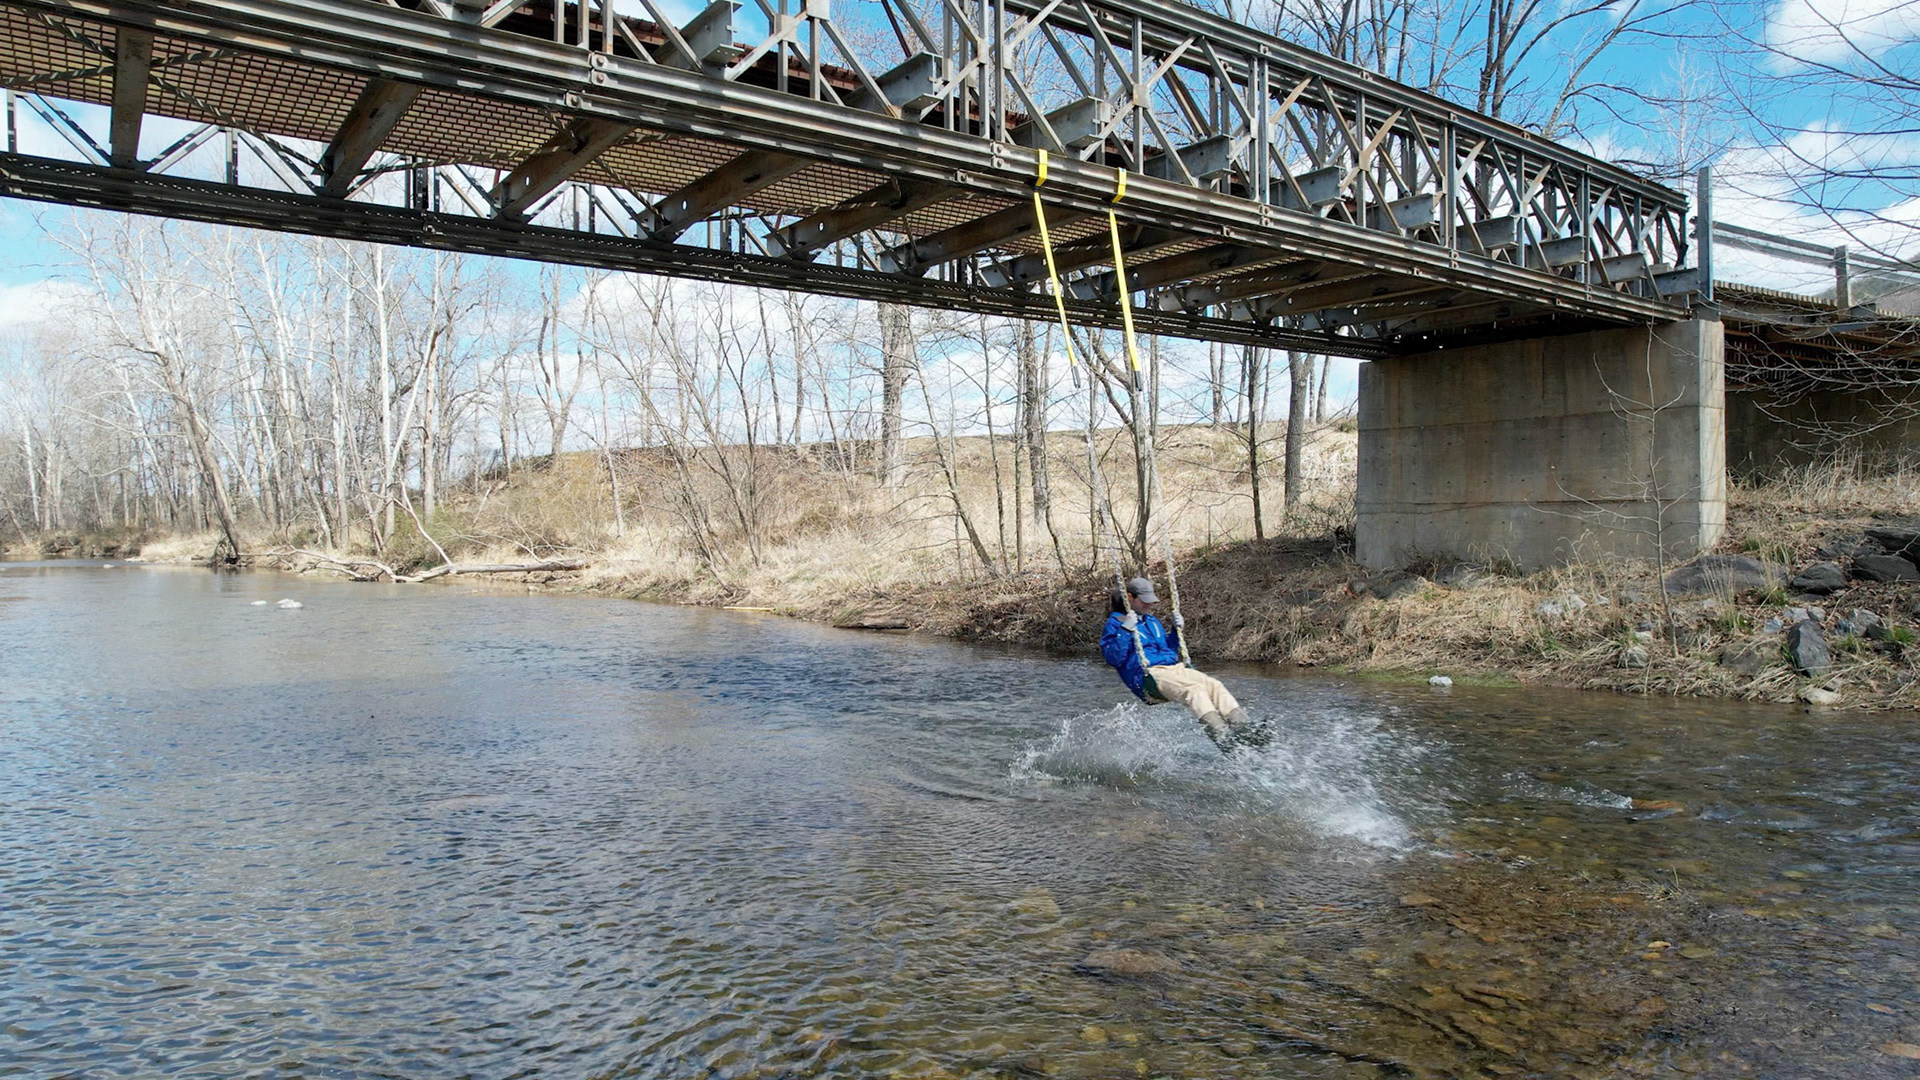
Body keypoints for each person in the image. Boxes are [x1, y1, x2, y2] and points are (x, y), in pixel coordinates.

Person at [1101, 576, 1267, 751]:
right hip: (1148, 675)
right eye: (1144, 601)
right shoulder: (1115, 624)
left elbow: (1169, 653)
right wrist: (1125, 630)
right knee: (1194, 690)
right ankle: (1222, 737)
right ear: (1129, 597)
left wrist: (1175, 631)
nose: (1149, 605)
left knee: (1214, 685)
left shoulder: (1152, 621)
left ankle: (1244, 729)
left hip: (1173, 669)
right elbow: (1113, 658)